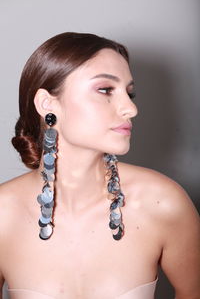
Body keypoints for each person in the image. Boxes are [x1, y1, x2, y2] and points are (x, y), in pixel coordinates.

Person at [0, 32, 199, 299]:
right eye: (106, 90)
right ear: (47, 103)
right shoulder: (4, 214)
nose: (130, 108)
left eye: (130, 93)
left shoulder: (163, 203)